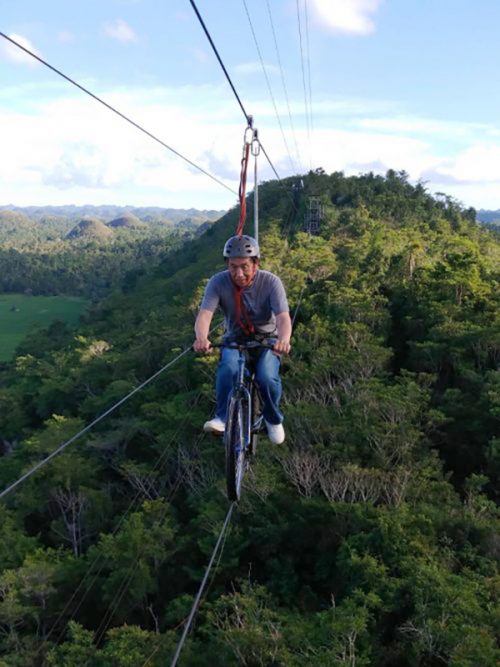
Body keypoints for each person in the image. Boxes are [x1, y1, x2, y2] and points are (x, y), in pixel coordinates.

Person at [193, 234, 292, 444]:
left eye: (244, 266)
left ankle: (273, 418)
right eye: (232, 267)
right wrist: (202, 337)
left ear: (256, 263)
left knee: (266, 377)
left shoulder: (270, 282)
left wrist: (283, 339)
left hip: (267, 340)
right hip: (235, 340)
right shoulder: (218, 282)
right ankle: (222, 417)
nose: (238, 273)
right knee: (228, 369)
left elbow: (283, 317)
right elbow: (205, 315)